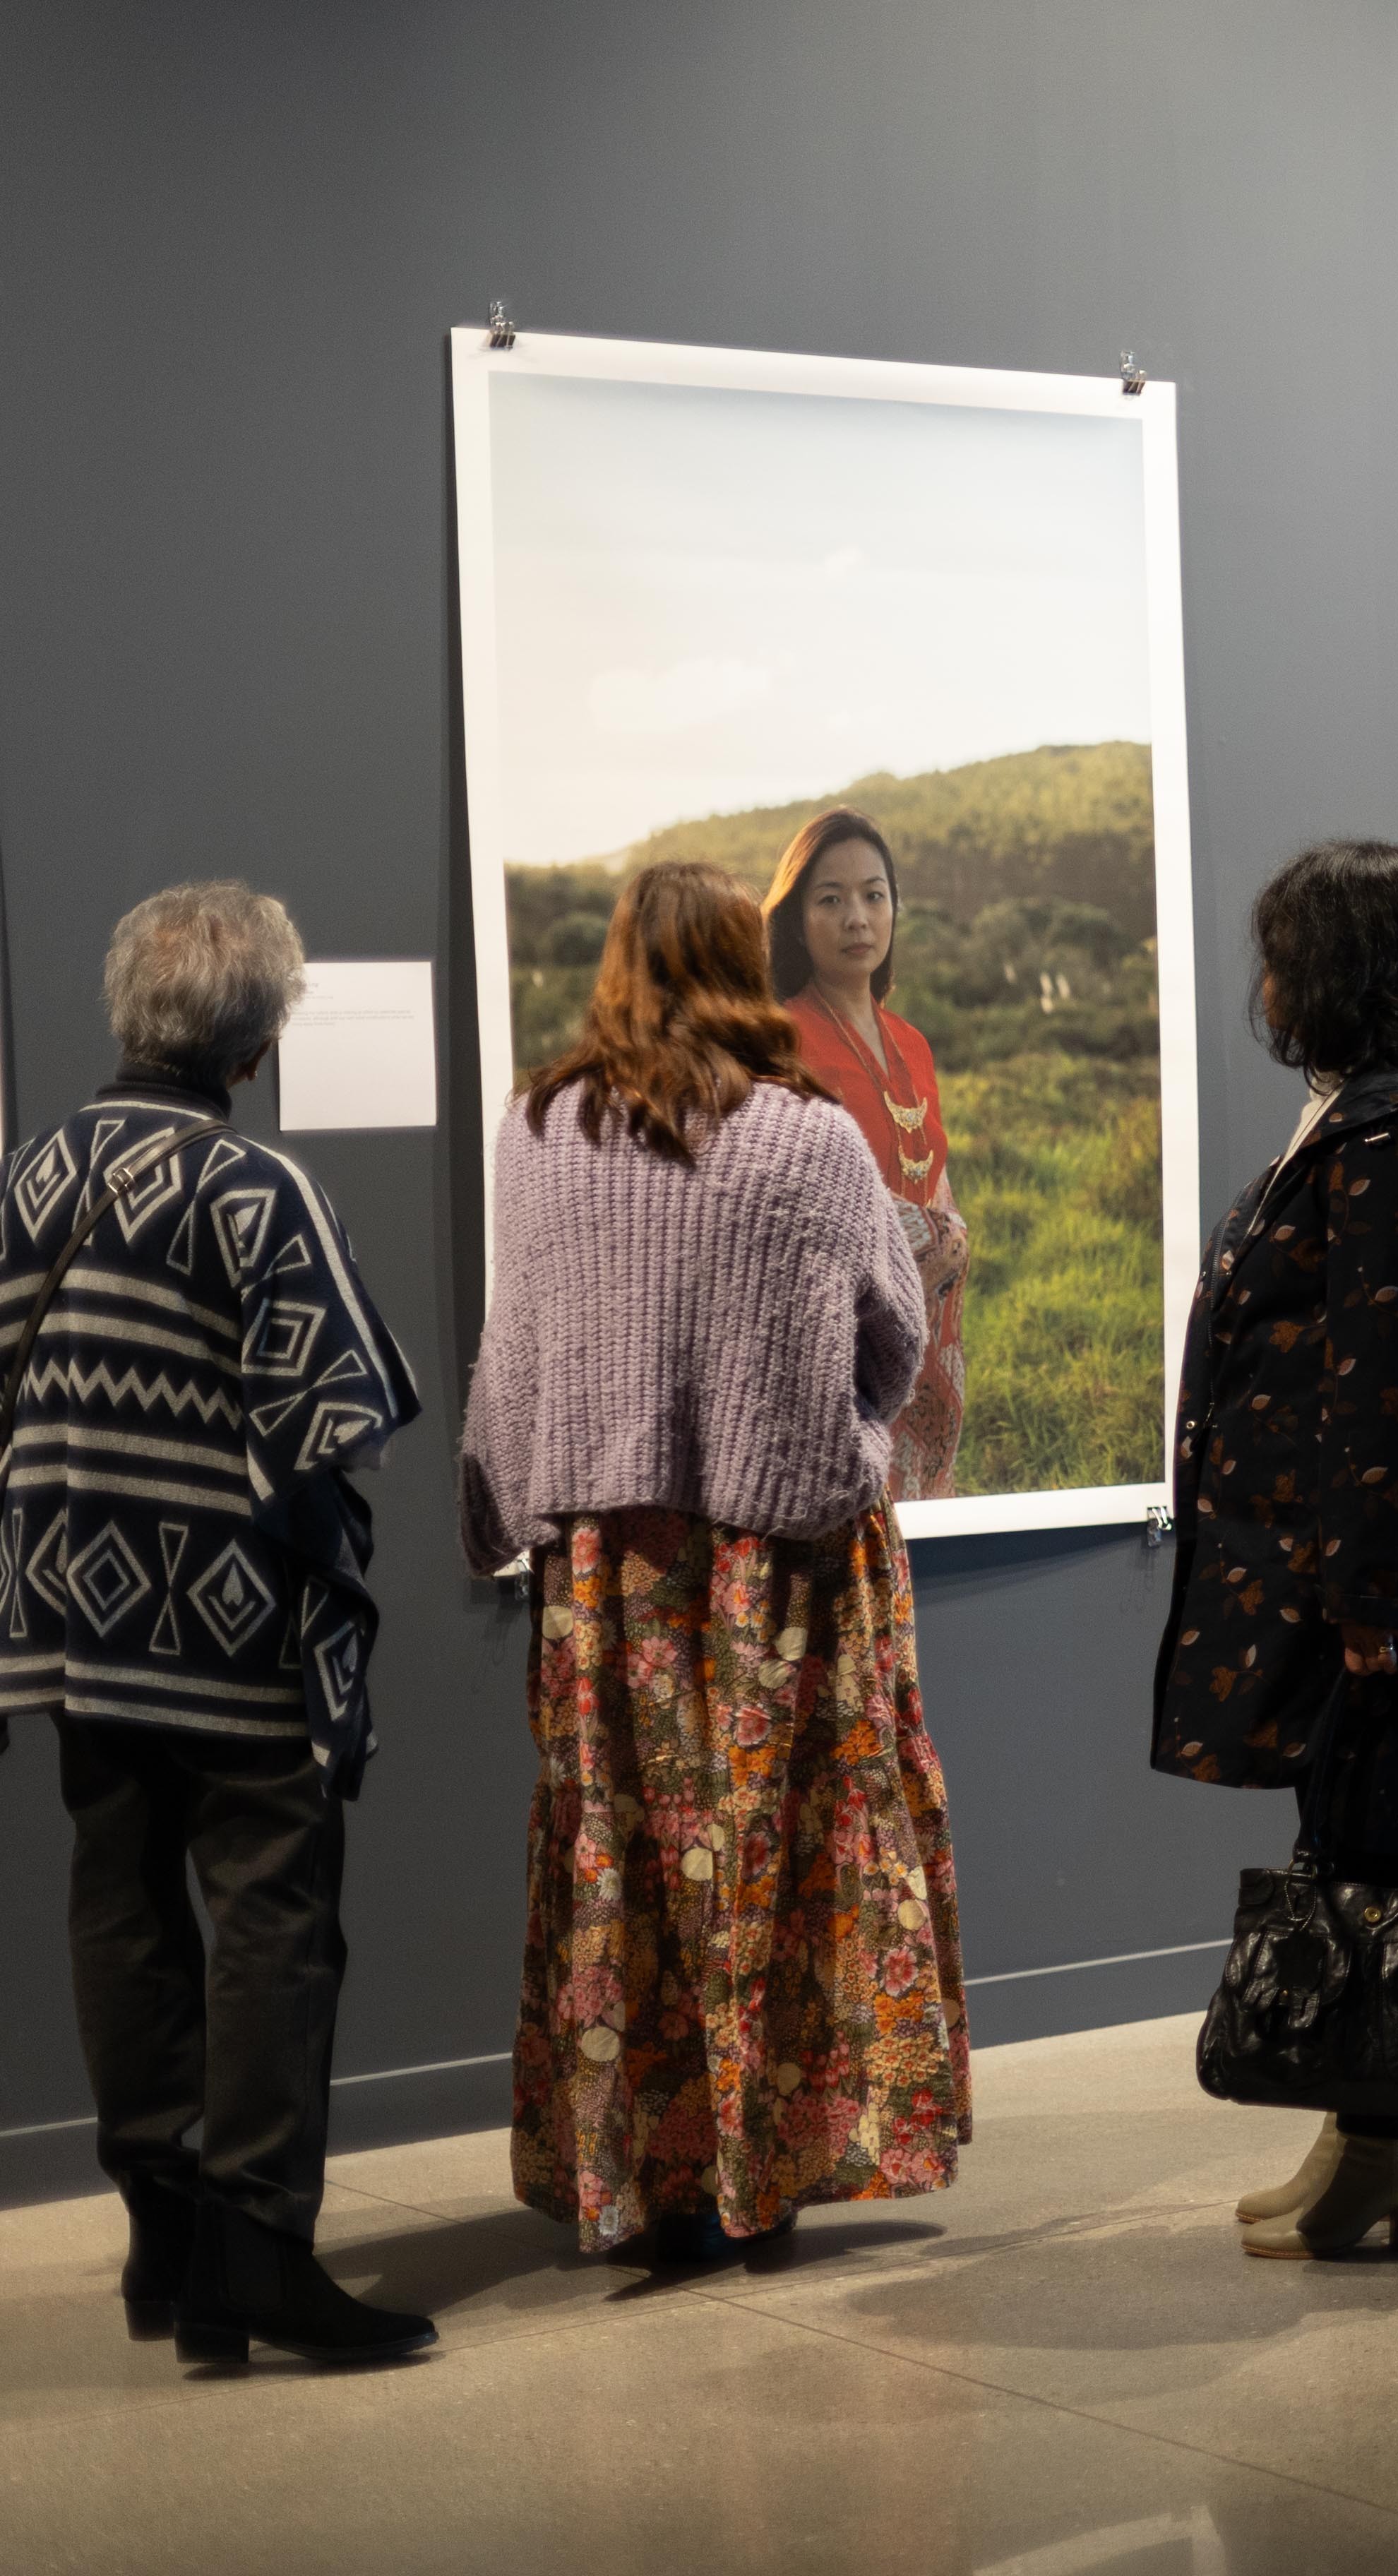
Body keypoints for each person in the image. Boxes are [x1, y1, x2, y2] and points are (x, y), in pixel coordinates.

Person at [463, 860, 969, 2265]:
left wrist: (512, 1494)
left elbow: (522, 1348)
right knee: (778, 1855)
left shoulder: (539, 1127)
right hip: (778, 1573)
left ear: (619, 962)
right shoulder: (808, 1136)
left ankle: (644, 2175)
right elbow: (888, 1335)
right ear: (749, 969)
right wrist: (827, 1433)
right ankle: (775, 2164)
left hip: (606, 1579)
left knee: (621, 1850)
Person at [1, 885, 430, 2363]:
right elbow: (332, 1425)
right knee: (270, 1915)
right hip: (226, 1620)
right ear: (255, 1039)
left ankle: (164, 2238)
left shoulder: (35, 1170)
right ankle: (254, 2246)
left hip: (66, 1615)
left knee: (120, 1903)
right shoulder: (260, 1192)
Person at [1154, 841, 1398, 2256]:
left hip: (1370, 1589)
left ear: (1342, 976)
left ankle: (1389, 2143)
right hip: (1333, 1572)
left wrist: (1369, 1599)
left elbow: (1392, 1386)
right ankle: (1372, 2142)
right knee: (1356, 1844)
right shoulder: (1368, 1125)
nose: (1265, 988)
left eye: (1283, 959)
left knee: (1379, 1854)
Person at [765, 807, 969, 1498]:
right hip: (837, 1360)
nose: (858, 917)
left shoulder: (912, 1041)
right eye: (831, 899)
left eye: (873, 895)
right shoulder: (778, 1041)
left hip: (927, 1351)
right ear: (796, 919)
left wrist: (944, 1236)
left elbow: (934, 1182)